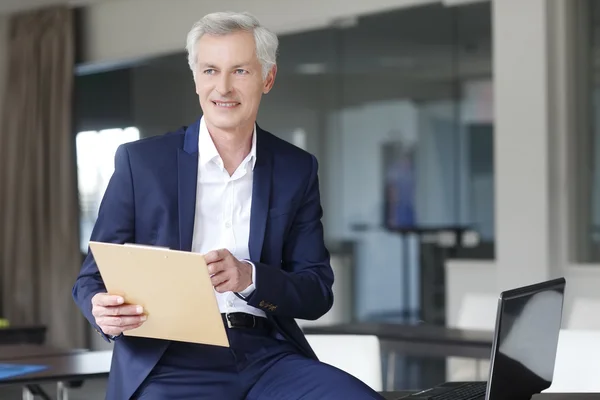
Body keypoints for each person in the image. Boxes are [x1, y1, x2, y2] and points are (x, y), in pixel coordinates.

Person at [72, 11, 385, 400]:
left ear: (267, 79)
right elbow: (91, 277)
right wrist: (101, 310)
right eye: (209, 71)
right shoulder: (142, 163)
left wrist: (249, 277)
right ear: (196, 79)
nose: (223, 87)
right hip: (169, 361)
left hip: (266, 356)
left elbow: (317, 292)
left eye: (240, 71)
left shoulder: (296, 169)